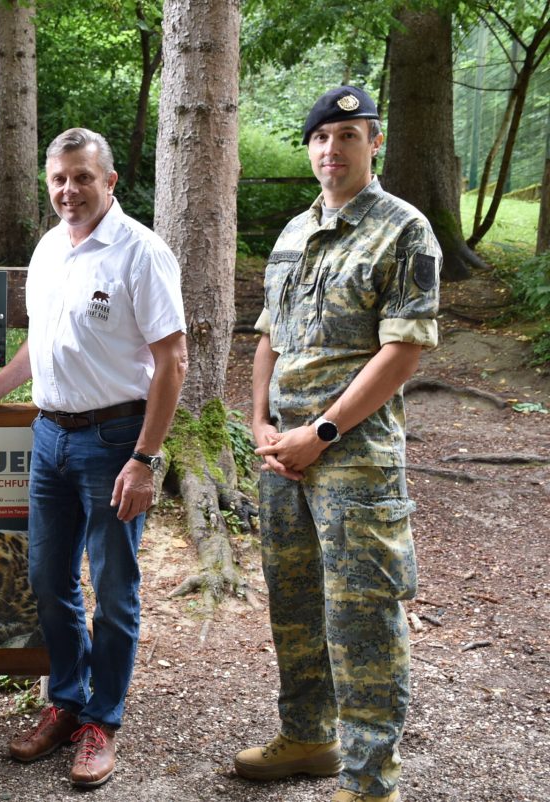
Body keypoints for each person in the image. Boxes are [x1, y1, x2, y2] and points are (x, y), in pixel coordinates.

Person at [0, 127, 187, 789]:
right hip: (50, 437)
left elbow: (173, 362)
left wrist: (145, 458)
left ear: (109, 181)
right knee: (47, 578)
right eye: (58, 179)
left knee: (113, 589)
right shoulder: (50, 248)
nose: (68, 191)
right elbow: (42, 340)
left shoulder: (141, 253)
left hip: (115, 441)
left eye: (82, 177)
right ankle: (66, 700)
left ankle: (100, 722)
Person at [232, 86, 440, 802]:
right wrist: (258, 421)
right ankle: (309, 737)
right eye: (321, 137)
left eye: (348, 135)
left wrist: (319, 433)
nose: (332, 149)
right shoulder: (294, 233)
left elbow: (403, 352)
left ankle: (371, 779)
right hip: (281, 459)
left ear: (374, 142)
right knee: (294, 605)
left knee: (363, 617)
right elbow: (267, 338)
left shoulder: (403, 230)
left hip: (353, 459)